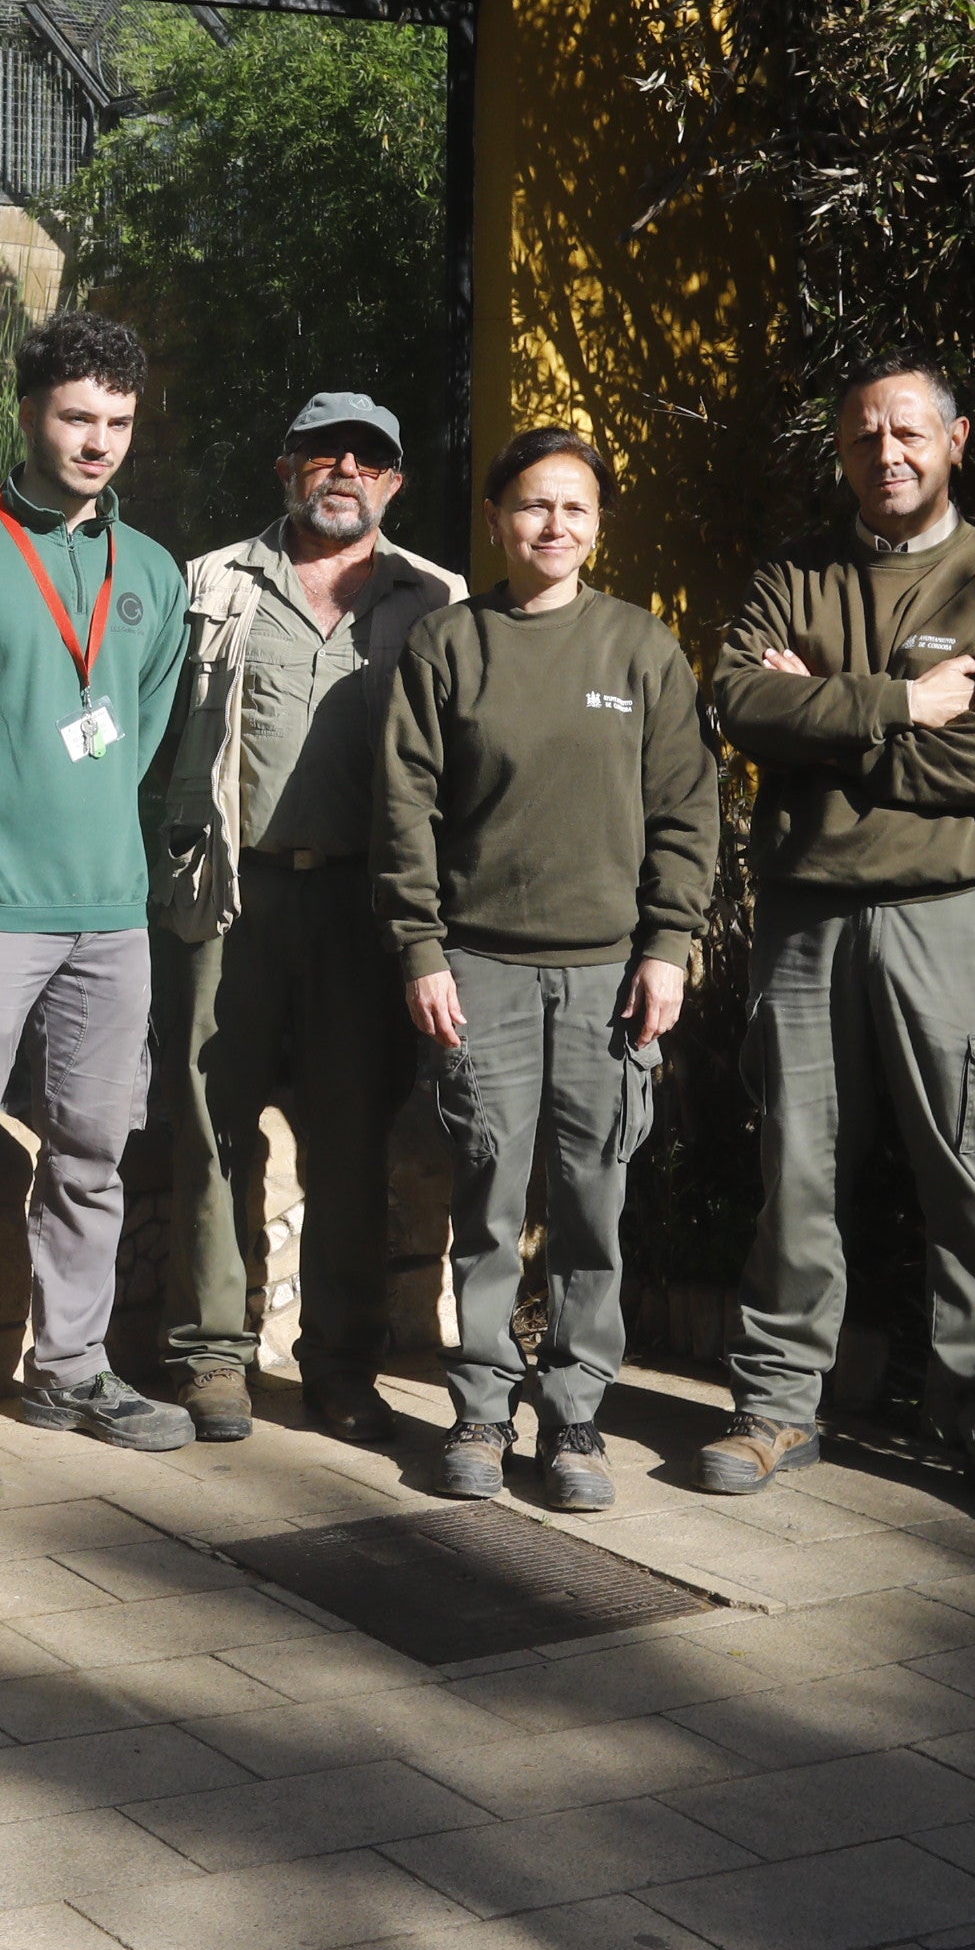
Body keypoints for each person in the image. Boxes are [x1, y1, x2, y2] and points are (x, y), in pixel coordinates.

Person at [703, 351, 975, 1538]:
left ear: (956, 440)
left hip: (955, 916)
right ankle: (774, 1407)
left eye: (910, 432)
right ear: (842, 450)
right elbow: (732, 700)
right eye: (866, 436)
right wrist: (899, 704)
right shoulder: (796, 578)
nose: (888, 453)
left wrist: (826, 717)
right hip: (810, 916)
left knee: (966, 1171)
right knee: (796, 1169)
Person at [381, 428, 720, 1509]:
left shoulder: (640, 649)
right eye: (533, 505)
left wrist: (670, 945)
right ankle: (481, 1411)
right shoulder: (450, 646)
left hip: (608, 978)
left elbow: (687, 810)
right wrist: (421, 949)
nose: (554, 525)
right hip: (478, 967)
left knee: (591, 1203)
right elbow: (406, 813)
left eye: (575, 508)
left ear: (598, 525)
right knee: (484, 1200)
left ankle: (576, 1418)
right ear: (495, 519)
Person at [147, 392, 468, 1450]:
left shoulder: (440, 602)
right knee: (209, 1121)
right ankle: (211, 1357)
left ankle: (341, 1364)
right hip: (227, 893)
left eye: (367, 458)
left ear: (395, 483)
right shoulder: (210, 585)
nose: (344, 470)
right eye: (323, 452)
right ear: (285, 467)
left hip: (365, 904)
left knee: (349, 1133)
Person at [0, 311, 195, 1451]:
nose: (97, 442)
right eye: (77, 417)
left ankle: (72, 1368)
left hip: (108, 913)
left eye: (118, 423)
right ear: (29, 411)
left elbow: (138, 740)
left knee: (94, 1150)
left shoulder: (151, 571)